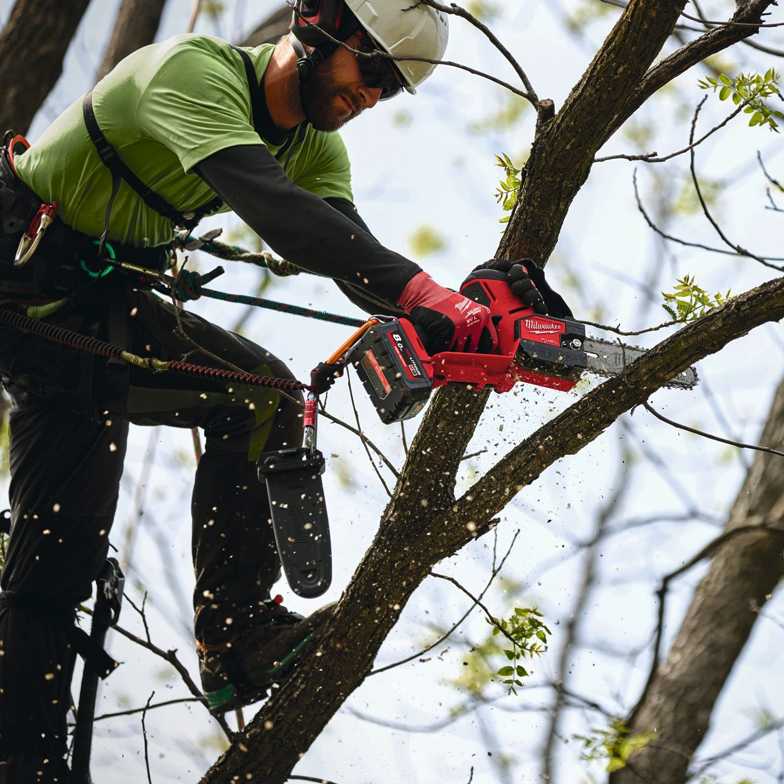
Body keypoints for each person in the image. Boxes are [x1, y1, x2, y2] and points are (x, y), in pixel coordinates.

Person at [0, 1, 566, 781]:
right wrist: (423, 295)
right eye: (372, 69)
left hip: (91, 320)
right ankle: (194, 658)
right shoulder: (193, 72)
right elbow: (278, 211)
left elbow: (349, 253)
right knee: (250, 403)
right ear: (323, 23)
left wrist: (467, 307)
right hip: (26, 278)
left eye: (390, 88)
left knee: (58, 565)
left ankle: (54, 744)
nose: (372, 95)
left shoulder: (316, 149)